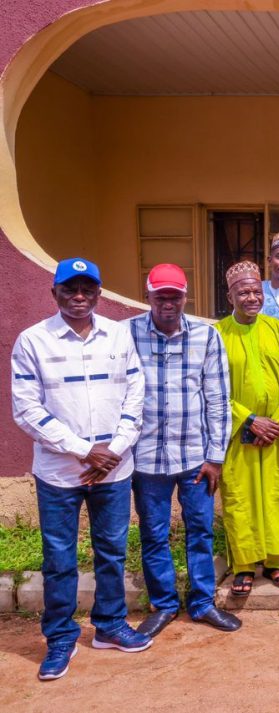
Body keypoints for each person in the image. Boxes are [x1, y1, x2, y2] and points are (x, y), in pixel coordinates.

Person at [12, 258, 149, 680]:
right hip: (59, 473)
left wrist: (113, 448)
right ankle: (59, 639)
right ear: (54, 293)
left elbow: (135, 395)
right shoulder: (33, 341)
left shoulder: (118, 335)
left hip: (114, 468)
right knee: (59, 558)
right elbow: (26, 410)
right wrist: (84, 451)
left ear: (98, 293)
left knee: (111, 551)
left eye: (87, 289)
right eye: (69, 289)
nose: (78, 297)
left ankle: (108, 626)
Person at [127, 264, 240, 638]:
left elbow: (219, 401)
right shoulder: (125, 334)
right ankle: (164, 605)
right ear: (148, 296)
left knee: (201, 532)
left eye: (175, 296)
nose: (168, 303)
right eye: (161, 296)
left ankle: (203, 603)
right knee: (154, 534)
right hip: (146, 459)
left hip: (195, 458)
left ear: (185, 296)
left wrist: (215, 457)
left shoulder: (206, 337)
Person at [214, 261, 279, 597]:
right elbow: (213, 388)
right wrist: (248, 419)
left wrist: (276, 420)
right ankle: (244, 566)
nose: (251, 297)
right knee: (242, 499)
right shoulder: (218, 334)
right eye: (243, 292)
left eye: (255, 291)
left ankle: (277, 562)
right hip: (239, 433)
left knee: (278, 496)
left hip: (277, 431)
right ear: (230, 296)